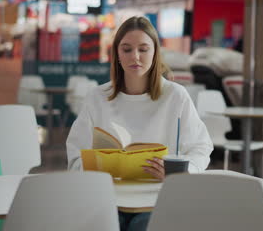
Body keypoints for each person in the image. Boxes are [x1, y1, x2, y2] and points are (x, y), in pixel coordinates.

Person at [66, 16, 213, 231]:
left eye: (143, 49)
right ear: (117, 53)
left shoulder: (175, 96)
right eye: (126, 49)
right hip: (106, 197)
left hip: (156, 198)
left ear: (155, 53)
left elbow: (201, 146)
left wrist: (179, 173)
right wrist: (93, 169)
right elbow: (75, 154)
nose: (135, 56)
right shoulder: (97, 97)